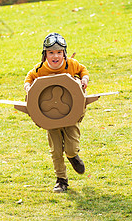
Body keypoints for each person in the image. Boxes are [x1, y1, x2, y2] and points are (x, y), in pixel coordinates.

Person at [24, 33, 89, 193]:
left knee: (71, 148)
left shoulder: (71, 64)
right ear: (45, 54)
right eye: (51, 52)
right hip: (49, 117)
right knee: (56, 151)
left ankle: (73, 156)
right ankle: (61, 180)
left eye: (59, 52)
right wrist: (28, 89)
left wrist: (84, 79)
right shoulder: (40, 69)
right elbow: (28, 79)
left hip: (71, 113)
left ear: (64, 53)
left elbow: (83, 70)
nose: (55, 56)